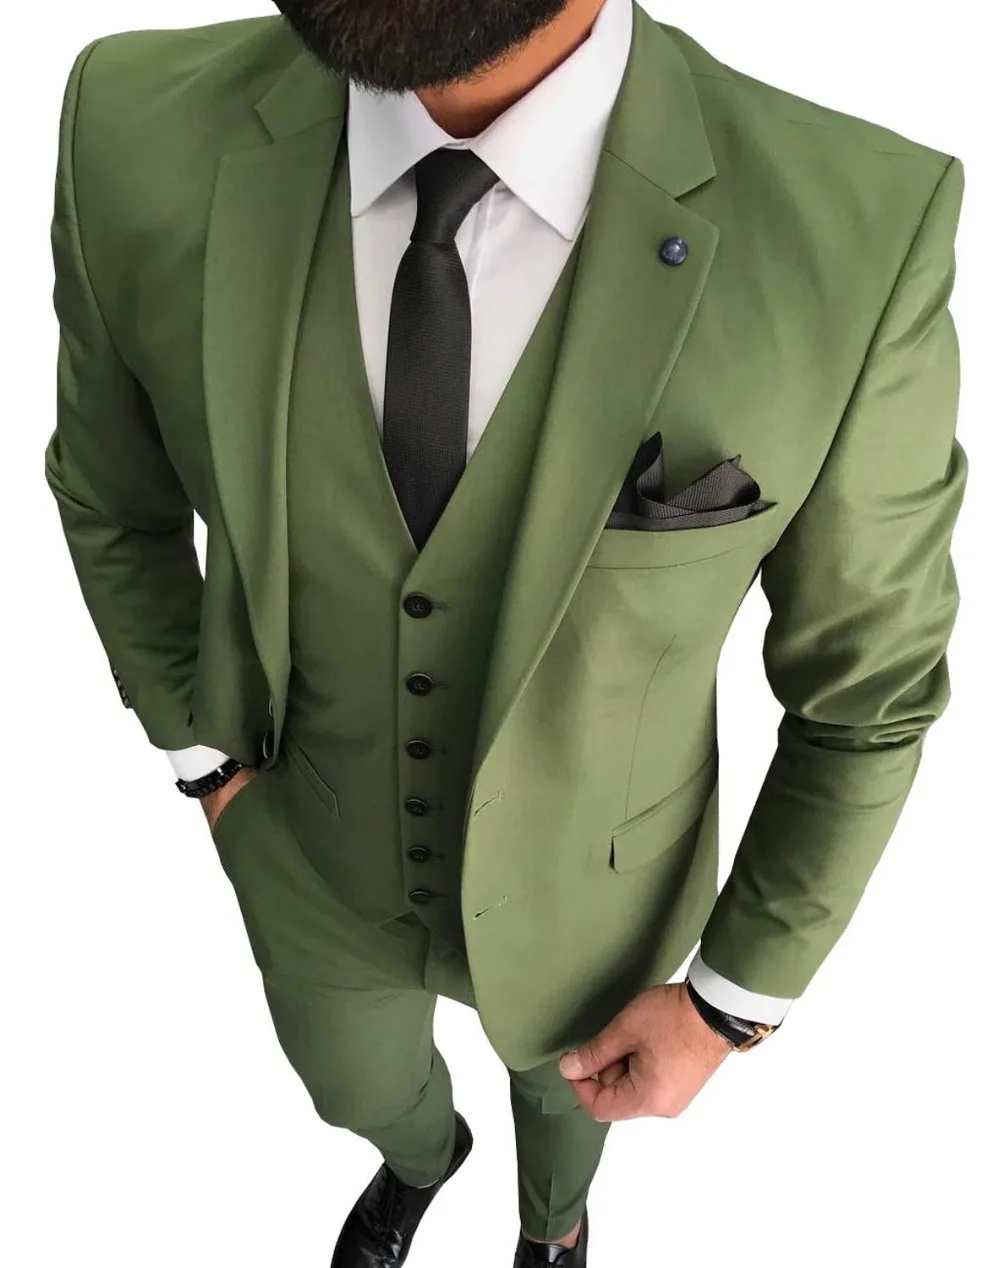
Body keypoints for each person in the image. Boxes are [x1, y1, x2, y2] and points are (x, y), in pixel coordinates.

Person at [44, 0, 967, 1263]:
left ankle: (552, 1223)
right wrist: (208, 767)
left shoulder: (858, 230)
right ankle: (422, 1160)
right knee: (354, 1089)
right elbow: (111, 495)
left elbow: (866, 696)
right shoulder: (130, 128)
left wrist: (727, 1001)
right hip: (305, 850)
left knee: (571, 1116)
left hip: (603, 899)